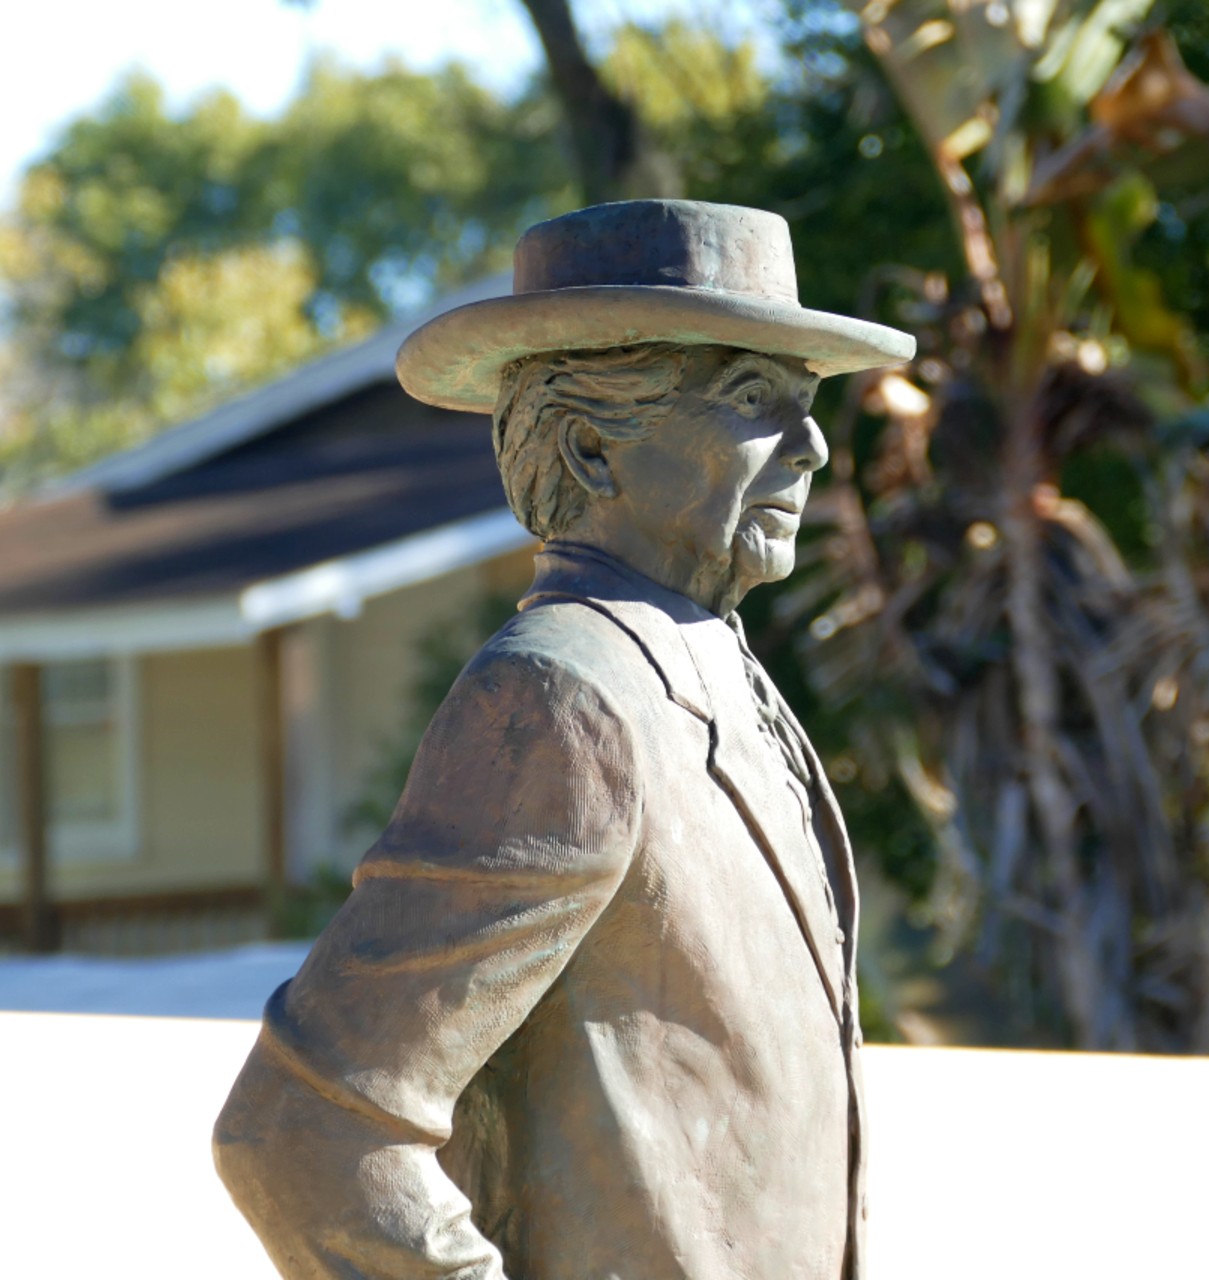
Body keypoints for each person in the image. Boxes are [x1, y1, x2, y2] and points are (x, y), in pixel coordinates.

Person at [214, 199, 914, 1280]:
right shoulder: (557, 697)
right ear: (590, 446)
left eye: (807, 400)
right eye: (750, 398)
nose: (812, 443)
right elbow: (307, 1128)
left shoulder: (709, 672)